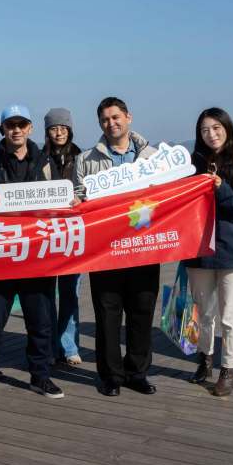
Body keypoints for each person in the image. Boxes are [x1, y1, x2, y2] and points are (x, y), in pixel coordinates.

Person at [0, 104, 61, 404]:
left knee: (40, 322)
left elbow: (60, 200)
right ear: (2, 129)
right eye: (10, 125)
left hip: (36, 256)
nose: (16, 130)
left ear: (30, 128)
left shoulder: (46, 161)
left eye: (21, 124)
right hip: (0, 256)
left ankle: (40, 376)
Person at [71, 97, 159, 397]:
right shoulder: (86, 159)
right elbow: (80, 197)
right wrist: (78, 202)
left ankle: (137, 372)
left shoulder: (153, 156)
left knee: (142, 311)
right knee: (107, 314)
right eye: (105, 120)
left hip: (145, 246)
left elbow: (170, 194)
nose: (112, 123)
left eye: (116, 117)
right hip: (105, 250)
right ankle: (110, 375)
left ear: (128, 117)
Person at [185, 107, 233, 397]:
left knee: (230, 316)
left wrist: (220, 186)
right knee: (202, 313)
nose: (211, 134)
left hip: (232, 251)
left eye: (216, 128)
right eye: (204, 130)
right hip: (198, 250)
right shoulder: (192, 163)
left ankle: (228, 369)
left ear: (227, 128)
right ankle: (205, 360)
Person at [34, 108, 84, 367]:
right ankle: (51, 347)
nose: (59, 132)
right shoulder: (39, 158)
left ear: (70, 130)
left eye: (63, 128)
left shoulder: (81, 156)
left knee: (70, 293)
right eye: (54, 128)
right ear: (47, 131)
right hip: (47, 234)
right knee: (46, 296)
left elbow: (88, 190)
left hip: (74, 234)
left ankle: (69, 346)